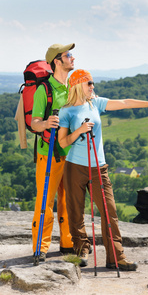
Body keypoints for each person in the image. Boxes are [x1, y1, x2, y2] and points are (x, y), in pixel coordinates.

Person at [58, 69, 148, 270]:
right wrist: (79, 131)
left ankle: (116, 257)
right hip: (75, 166)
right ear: (77, 85)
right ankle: (81, 249)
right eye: (89, 83)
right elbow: (62, 141)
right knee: (75, 212)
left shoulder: (96, 103)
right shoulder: (66, 111)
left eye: (93, 83)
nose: (93, 87)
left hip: (98, 168)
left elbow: (125, 102)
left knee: (109, 212)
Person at [31, 43, 75, 261]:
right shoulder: (44, 89)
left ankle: (68, 243)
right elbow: (34, 123)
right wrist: (47, 122)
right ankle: (41, 247)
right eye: (69, 55)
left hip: (70, 153)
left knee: (68, 200)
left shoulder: (74, 87)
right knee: (45, 201)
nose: (73, 58)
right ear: (57, 61)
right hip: (47, 154)